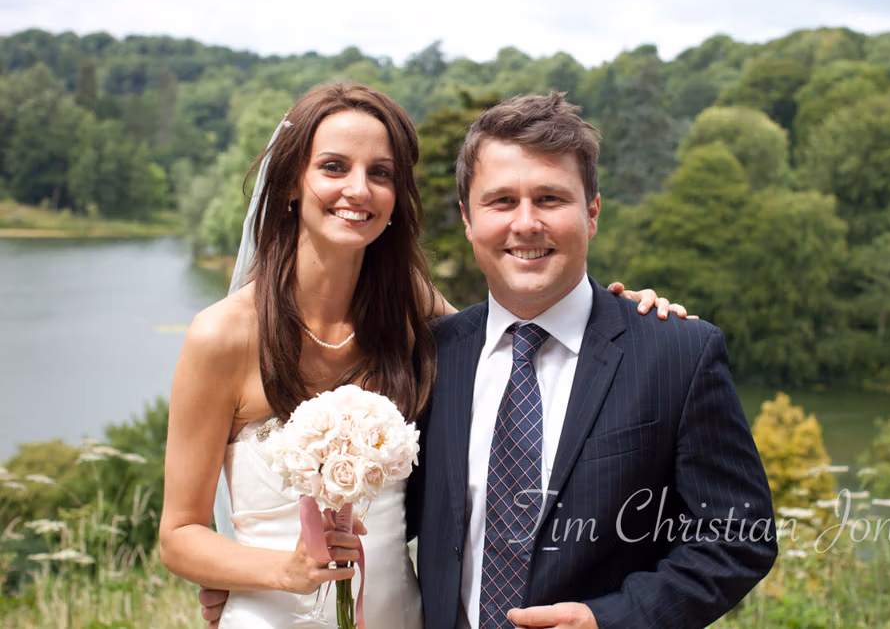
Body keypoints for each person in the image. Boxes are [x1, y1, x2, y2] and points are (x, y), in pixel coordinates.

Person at [166, 83, 684, 629]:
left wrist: (620, 318)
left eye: (381, 173)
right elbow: (179, 537)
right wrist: (280, 570)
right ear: (294, 182)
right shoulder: (221, 337)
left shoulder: (411, 311)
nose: (358, 190)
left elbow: (512, 348)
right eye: (334, 167)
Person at [409, 92, 777, 629]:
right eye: (502, 201)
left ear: (593, 212)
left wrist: (611, 620)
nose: (526, 223)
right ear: (468, 218)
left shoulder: (678, 353)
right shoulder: (430, 357)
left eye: (551, 199)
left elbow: (738, 538)